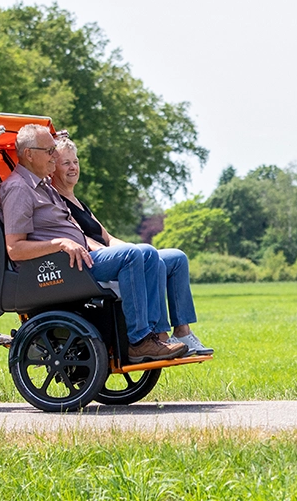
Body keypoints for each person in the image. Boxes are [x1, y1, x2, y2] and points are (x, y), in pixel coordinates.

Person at [0, 124, 189, 362]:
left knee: (147, 254)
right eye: (49, 150)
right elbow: (14, 249)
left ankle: (157, 337)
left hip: (79, 257)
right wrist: (61, 243)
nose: (54, 155)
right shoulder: (18, 189)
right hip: (60, 266)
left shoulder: (42, 185)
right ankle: (138, 341)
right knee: (132, 255)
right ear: (28, 154)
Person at [51, 137, 213, 356]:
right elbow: (81, 239)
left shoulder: (78, 201)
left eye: (76, 162)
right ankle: (159, 336)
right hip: (93, 262)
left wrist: (134, 249)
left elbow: (107, 237)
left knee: (176, 258)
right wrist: (128, 254)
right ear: (52, 169)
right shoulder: (57, 202)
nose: (73, 167)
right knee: (143, 253)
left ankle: (183, 333)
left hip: (110, 254)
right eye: (66, 163)